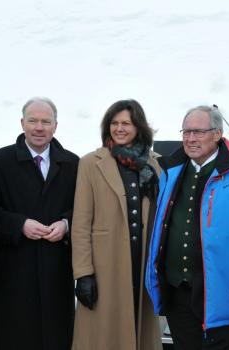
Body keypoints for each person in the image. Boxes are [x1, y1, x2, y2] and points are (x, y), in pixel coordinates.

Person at [146, 105, 229, 350]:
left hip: (224, 295)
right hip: (178, 292)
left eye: (198, 132)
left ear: (217, 134)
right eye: (186, 132)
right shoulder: (170, 172)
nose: (190, 139)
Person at [71, 99, 162, 350]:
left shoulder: (156, 164)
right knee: (102, 337)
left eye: (126, 123)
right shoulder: (90, 163)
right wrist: (83, 273)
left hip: (142, 263)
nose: (119, 128)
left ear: (138, 127)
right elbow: (80, 223)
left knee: (140, 329)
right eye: (114, 123)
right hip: (105, 266)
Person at [0, 97, 79, 350]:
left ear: (55, 126)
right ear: (22, 123)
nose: (39, 127)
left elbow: (85, 210)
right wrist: (19, 224)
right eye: (32, 121)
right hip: (12, 269)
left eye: (45, 121)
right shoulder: (0, 162)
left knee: (57, 336)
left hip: (57, 268)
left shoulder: (74, 164)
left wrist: (66, 223)